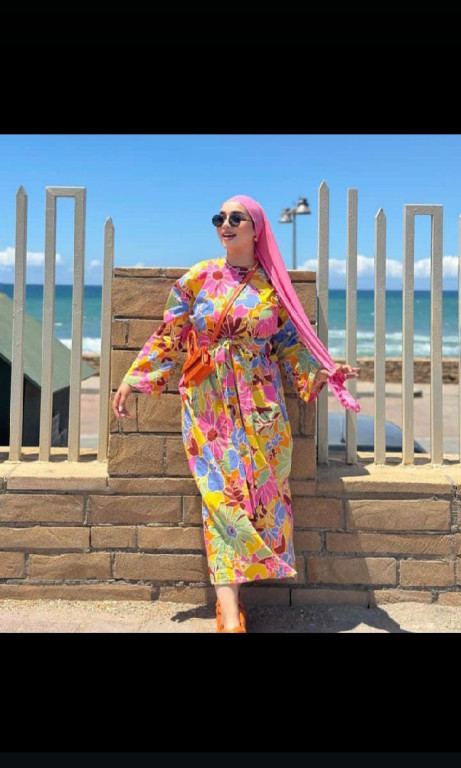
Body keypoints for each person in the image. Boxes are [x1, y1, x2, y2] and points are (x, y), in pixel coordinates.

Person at [112, 194, 360, 633]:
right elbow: (170, 334)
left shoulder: (272, 289)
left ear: (256, 228)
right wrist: (135, 378)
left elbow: (290, 345)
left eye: (235, 218)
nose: (224, 224)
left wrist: (322, 373)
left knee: (261, 496)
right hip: (207, 406)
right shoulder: (198, 278)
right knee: (219, 499)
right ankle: (229, 614)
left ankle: (236, 598)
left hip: (261, 407)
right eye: (219, 218)